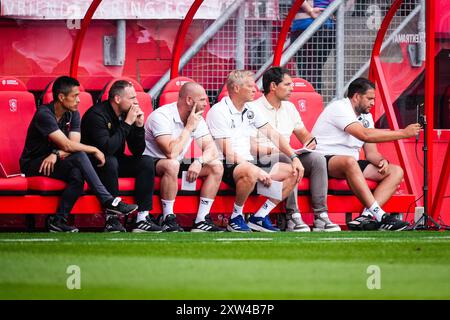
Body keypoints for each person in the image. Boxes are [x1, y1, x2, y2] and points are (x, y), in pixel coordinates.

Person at [20, 76, 138, 233]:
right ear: (61, 97)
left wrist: (56, 153)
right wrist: (94, 150)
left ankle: (58, 220)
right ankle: (108, 200)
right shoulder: (44, 114)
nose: (79, 101)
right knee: (81, 157)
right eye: (74, 96)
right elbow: (69, 145)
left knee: (77, 175)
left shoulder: (73, 113)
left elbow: (72, 145)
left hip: (55, 160)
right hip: (34, 164)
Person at [311, 77, 421, 231]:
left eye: (374, 99)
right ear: (356, 97)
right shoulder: (339, 107)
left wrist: (382, 161)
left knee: (396, 171)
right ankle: (380, 215)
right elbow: (364, 135)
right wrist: (403, 133)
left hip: (351, 164)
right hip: (322, 160)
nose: (373, 103)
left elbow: (371, 153)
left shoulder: (366, 116)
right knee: (349, 161)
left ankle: (367, 216)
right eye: (369, 98)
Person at [206, 70, 302, 233]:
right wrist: (256, 169)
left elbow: (273, 134)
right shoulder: (218, 111)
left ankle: (259, 217)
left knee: (294, 172)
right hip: (227, 163)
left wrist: (294, 157)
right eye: (250, 86)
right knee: (249, 170)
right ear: (236, 88)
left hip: (248, 162)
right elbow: (228, 153)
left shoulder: (250, 108)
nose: (255, 90)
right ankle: (236, 218)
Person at [249, 67, 340, 232]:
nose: (292, 88)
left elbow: (305, 135)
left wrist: (310, 143)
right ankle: (293, 216)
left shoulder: (290, 107)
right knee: (288, 159)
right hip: (261, 158)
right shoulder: (253, 108)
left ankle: (321, 215)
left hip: (288, 154)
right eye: (287, 84)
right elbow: (250, 147)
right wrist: (282, 152)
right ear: (273, 86)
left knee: (318, 159)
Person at [81, 80, 162, 233]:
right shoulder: (96, 115)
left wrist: (138, 126)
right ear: (118, 99)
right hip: (93, 164)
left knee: (146, 161)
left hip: (115, 160)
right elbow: (107, 149)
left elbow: (137, 151)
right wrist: (127, 123)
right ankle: (112, 219)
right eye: (132, 98)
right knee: (109, 161)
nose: (136, 101)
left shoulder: (126, 114)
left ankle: (142, 219)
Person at [144, 82, 224, 232]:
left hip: (177, 162)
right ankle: (168, 217)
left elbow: (212, 149)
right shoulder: (161, 116)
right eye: (202, 100)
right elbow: (171, 152)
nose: (206, 104)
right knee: (172, 163)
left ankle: (201, 220)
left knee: (216, 166)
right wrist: (189, 127)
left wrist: (200, 162)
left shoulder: (196, 118)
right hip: (151, 164)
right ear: (189, 100)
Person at [290, 0, 335, 94]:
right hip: (327, 27)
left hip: (306, 25)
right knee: (314, 71)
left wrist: (309, 10)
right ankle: (314, 102)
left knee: (308, 72)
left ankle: (311, 103)